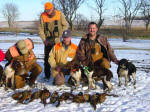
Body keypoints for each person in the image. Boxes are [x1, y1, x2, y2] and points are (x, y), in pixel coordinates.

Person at [39, 2, 68, 80]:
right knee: (47, 59)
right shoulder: (42, 16)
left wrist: (61, 37)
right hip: (47, 40)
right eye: (46, 10)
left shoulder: (60, 14)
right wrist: (44, 40)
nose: (48, 11)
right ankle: (47, 75)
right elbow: (41, 29)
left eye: (49, 9)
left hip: (58, 39)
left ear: (53, 8)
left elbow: (65, 25)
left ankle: (60, 75)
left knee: (59, 58)